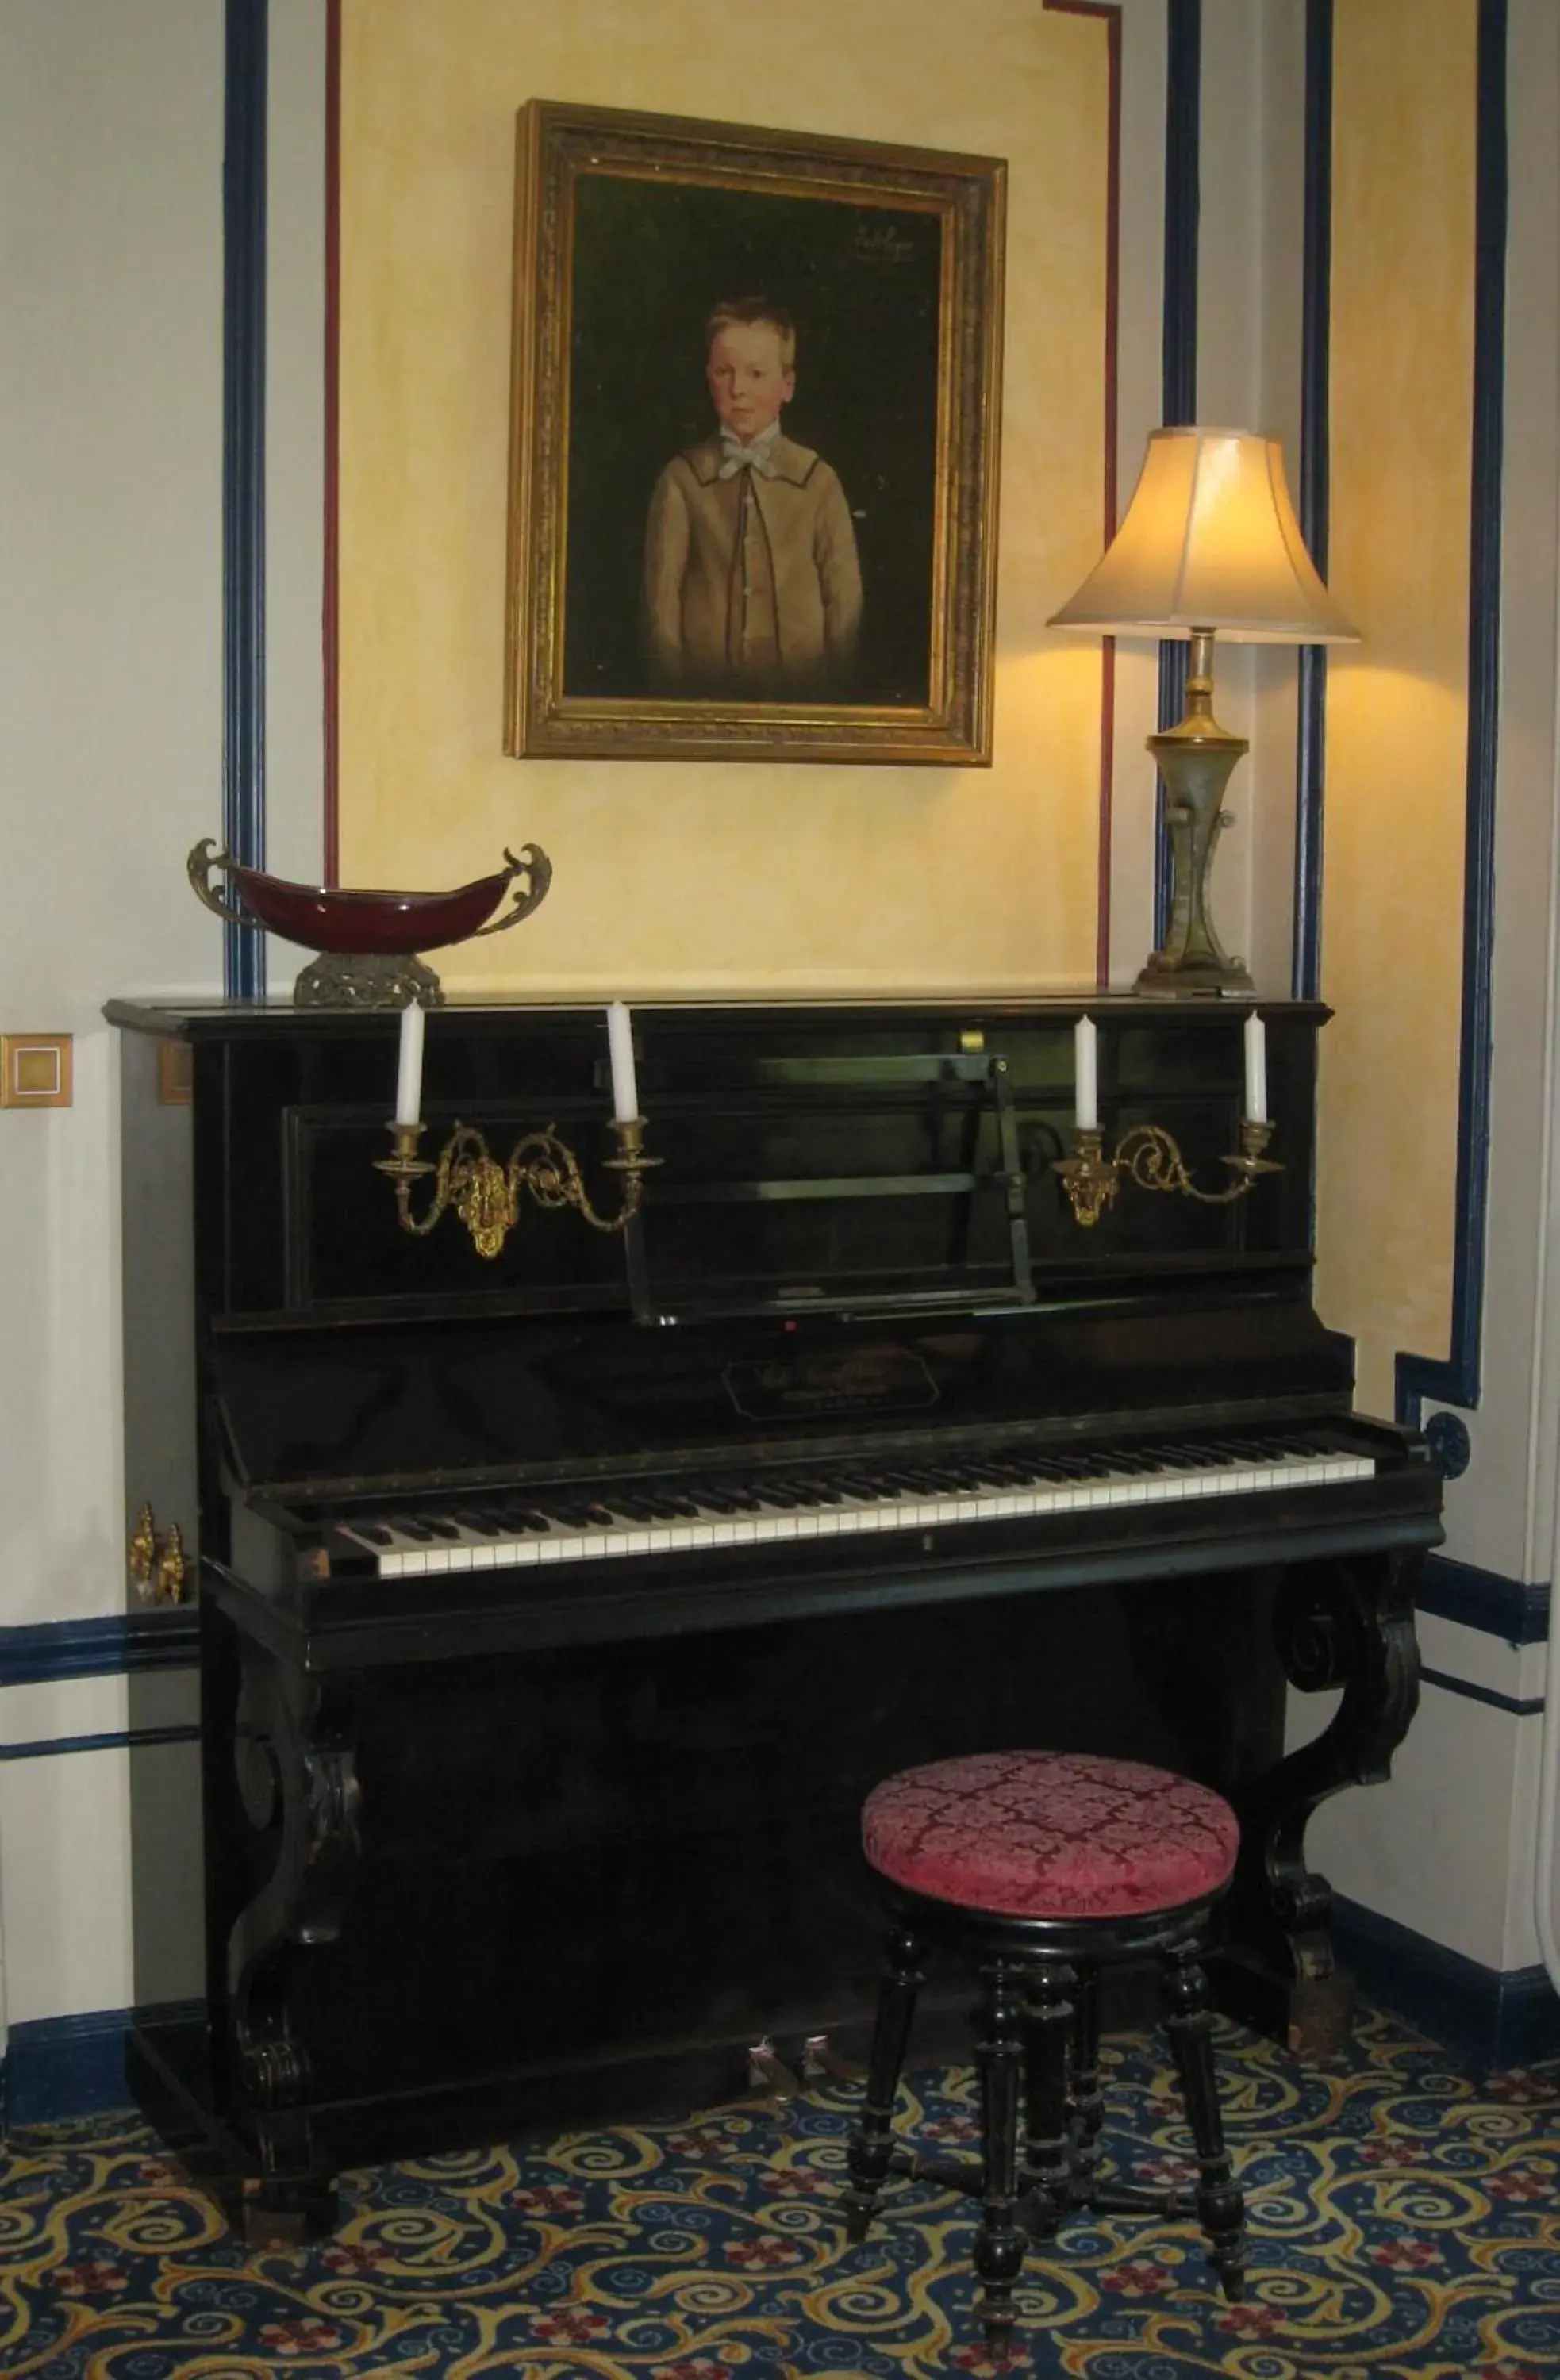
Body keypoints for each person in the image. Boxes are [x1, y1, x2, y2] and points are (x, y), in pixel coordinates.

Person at [643, 297, 863, 697]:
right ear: (709, 377)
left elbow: (844, 601)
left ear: (788, 386)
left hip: (804, 697)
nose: (738, 389)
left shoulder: (818, 481)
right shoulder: (682, 480)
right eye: (724, 372)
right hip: (702, 696)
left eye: (756, 374)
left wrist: (834, 693)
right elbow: (662, 604)